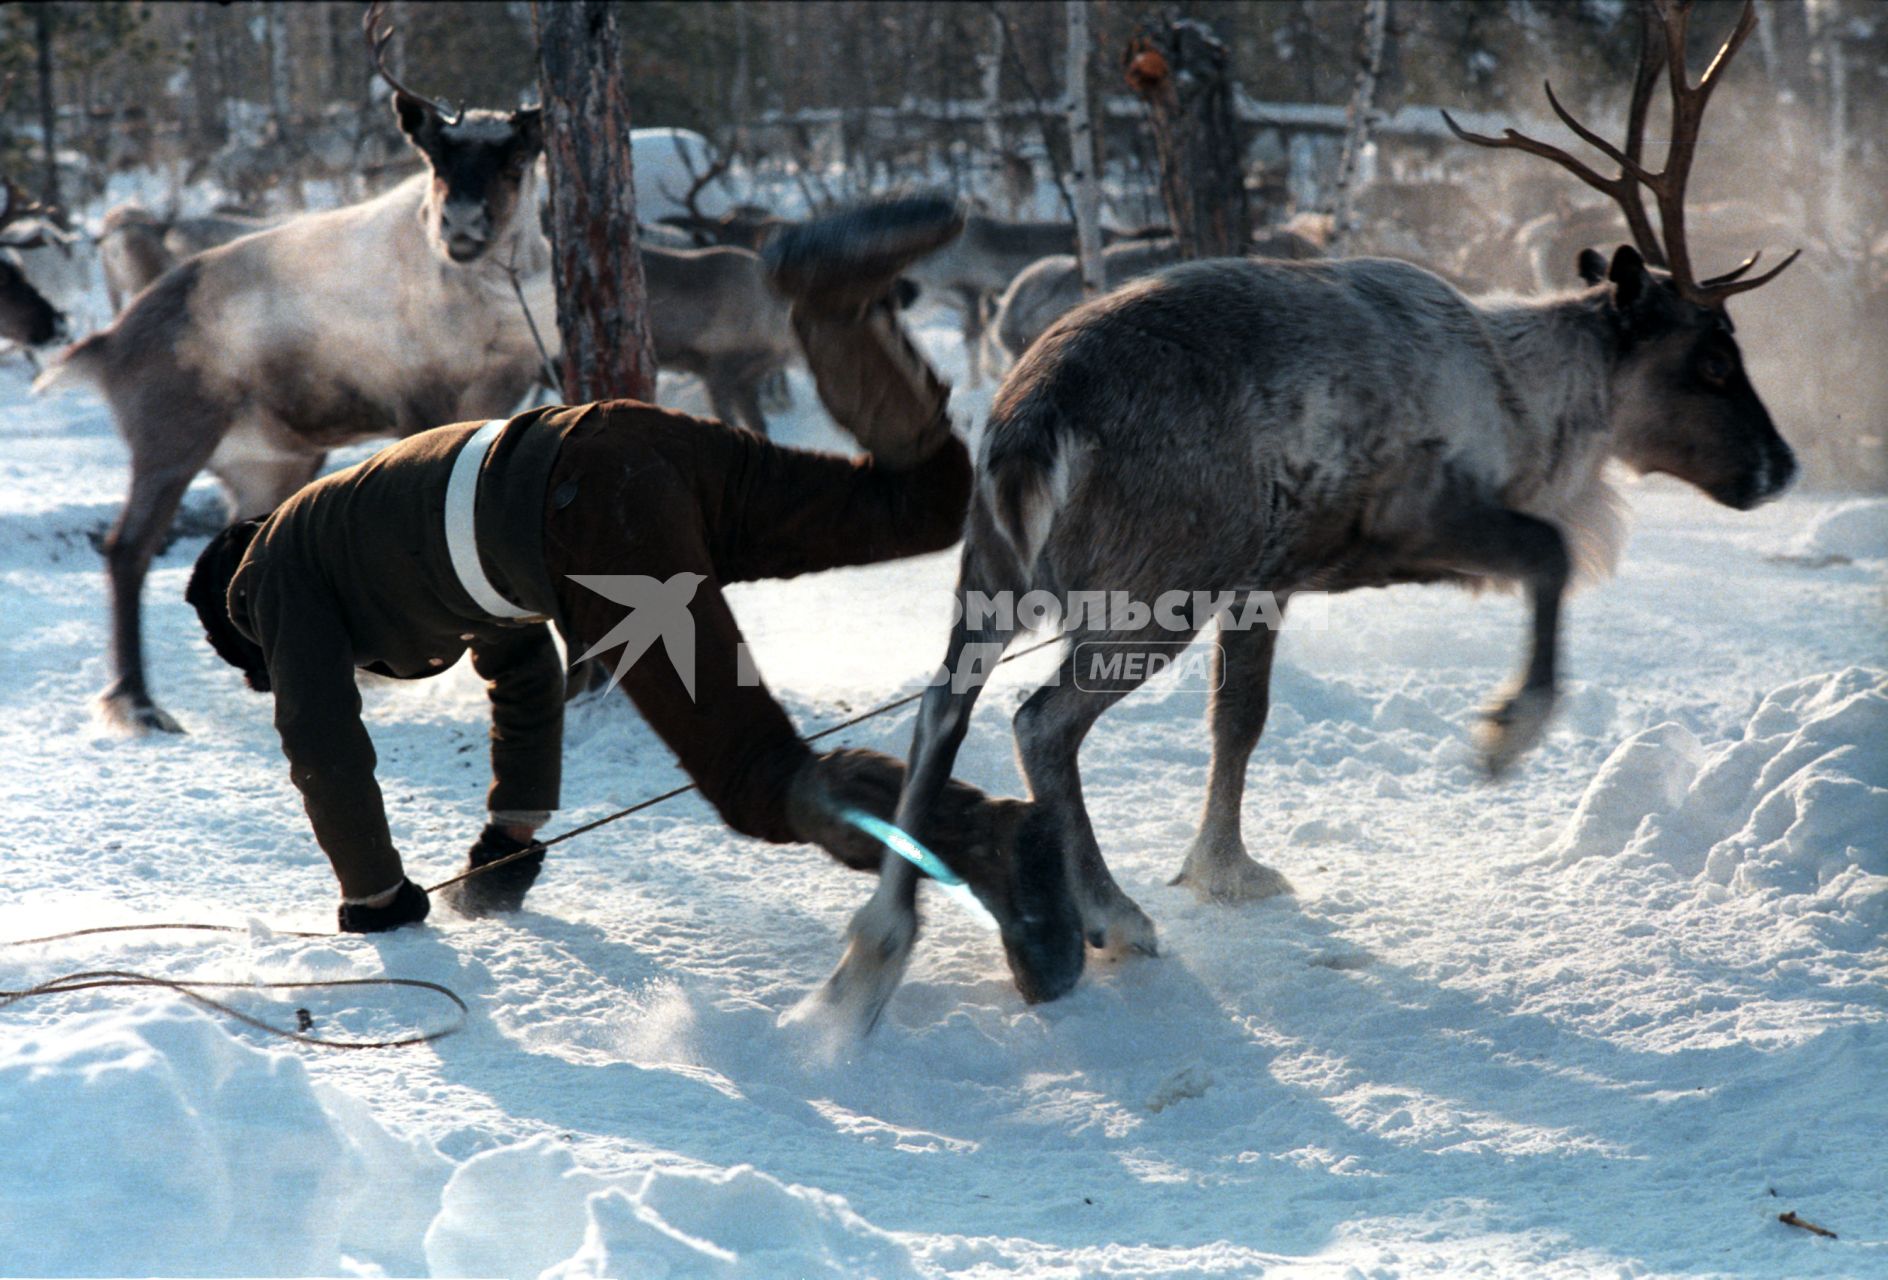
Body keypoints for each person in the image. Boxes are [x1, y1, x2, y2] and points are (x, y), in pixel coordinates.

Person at [186, 198, 1057, 988]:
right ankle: (834, 309)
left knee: (759, 778)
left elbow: (321, 743)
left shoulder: (269, 578)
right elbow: (521, 667)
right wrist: (511, 839)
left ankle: (991, 845)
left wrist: (375, 897)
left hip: (592, 525)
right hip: (625, 447)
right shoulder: (361, 523)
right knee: (917, 502)